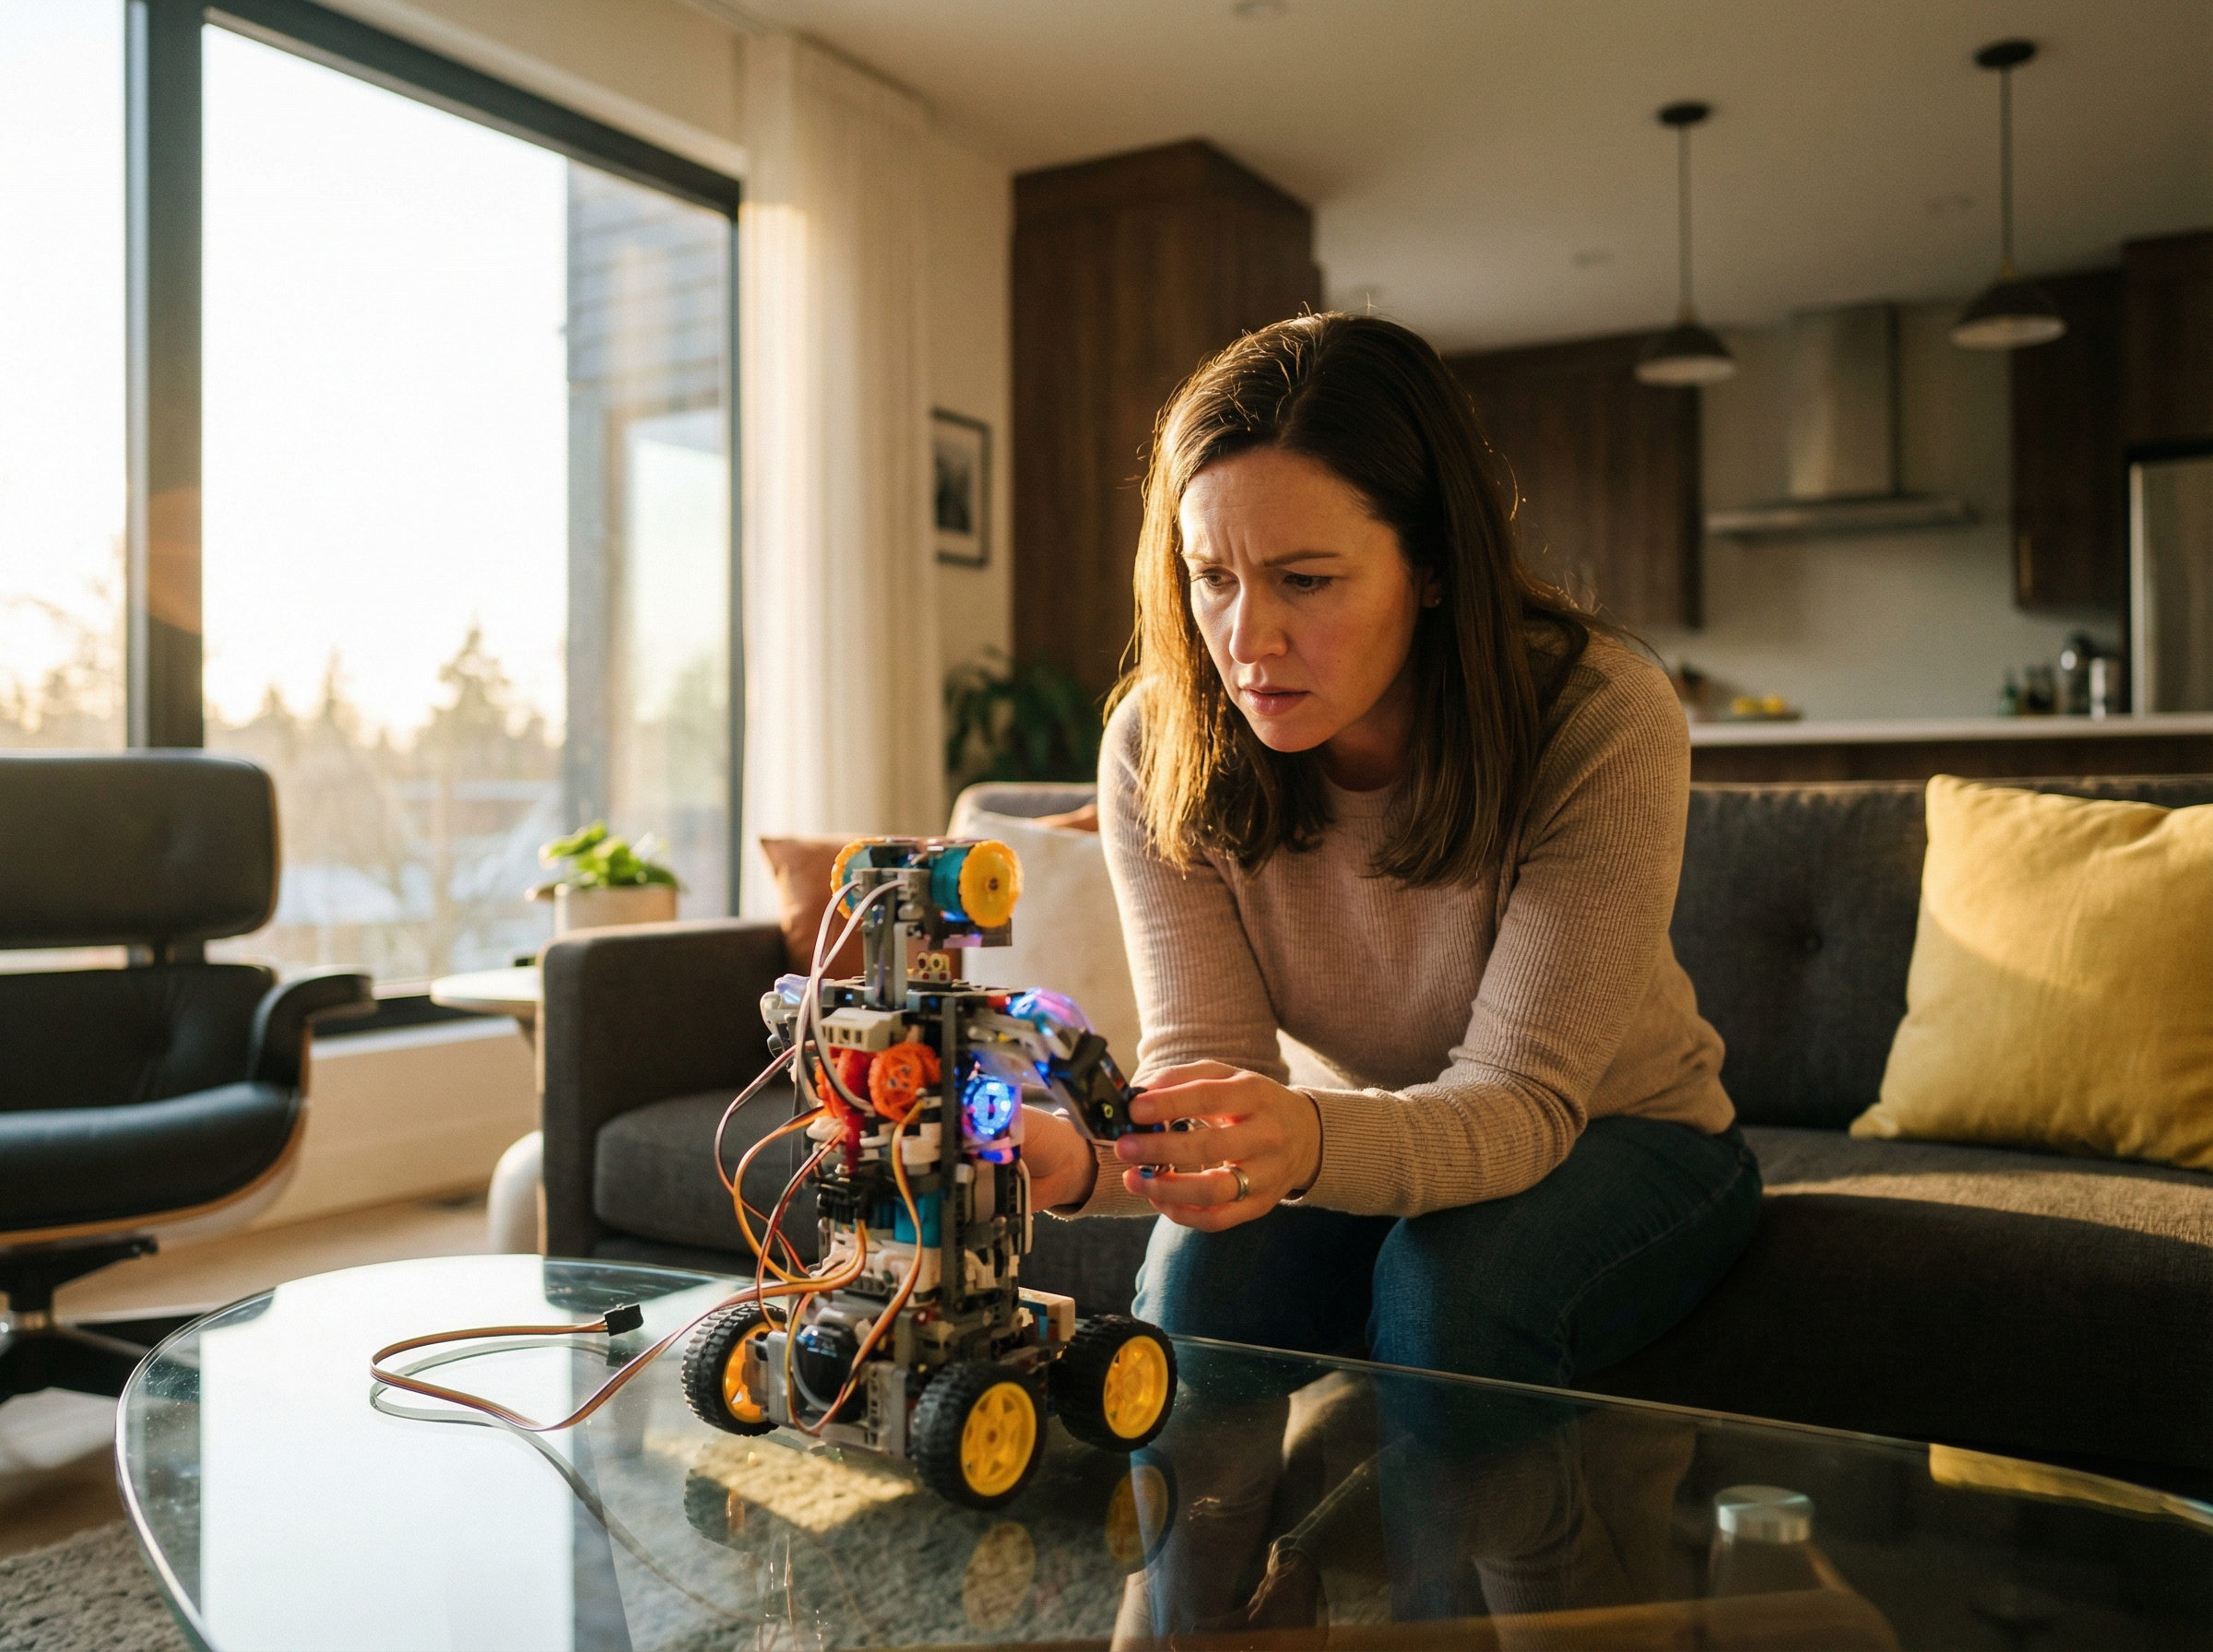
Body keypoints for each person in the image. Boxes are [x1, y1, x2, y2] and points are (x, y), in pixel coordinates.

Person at [1019, 312, 1759, 1399]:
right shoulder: (1157, 740)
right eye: (1210, 576)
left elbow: (1521, 1104)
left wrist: (1307, 1144)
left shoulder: (1600, 715)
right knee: (1196, 1282)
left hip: (1626, 1131)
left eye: (1306, 581)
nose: (1247, 640)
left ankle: (1487, 1577)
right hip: (1366, 1129)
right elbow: (1213, 1079)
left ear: (1433, 567)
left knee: (1451, 1286)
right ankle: (1194, 1575)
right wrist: (1087, 1162)